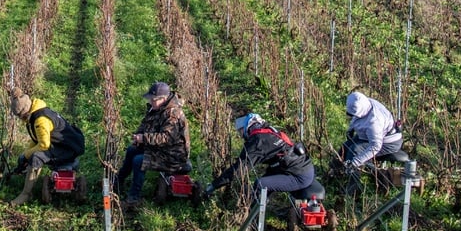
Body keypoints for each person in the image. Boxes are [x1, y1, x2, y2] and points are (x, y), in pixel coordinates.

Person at [115, 81, 190, 209]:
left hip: (173, 155)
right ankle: (117, 182)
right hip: (159, 149)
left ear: (164, 99)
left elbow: (166, 138)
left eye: (154, 100)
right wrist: (138, 136)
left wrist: (144, 138)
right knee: (132, 150)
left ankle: (134, 198)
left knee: (139, 161)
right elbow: (145, 124)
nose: (151, 102)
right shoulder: (156, 108)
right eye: (150, 99)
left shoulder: (172, 114)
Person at [207, 113, 315, 201]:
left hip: (299, 176)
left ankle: (254, 221)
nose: (241, 135)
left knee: (260, 184)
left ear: (248, 127)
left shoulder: (257, 142)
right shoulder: (269, 130)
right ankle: (261, 202)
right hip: (302, 166)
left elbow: (239, 170)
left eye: (240, 131)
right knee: (267, 176)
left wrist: (214, 186)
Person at [9, 93, 87, 205]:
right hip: (61, 144)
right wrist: (26, 154)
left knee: (36, 157)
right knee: (32, 155)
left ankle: (26, 194)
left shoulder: (40, 120)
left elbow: (44, 145)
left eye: (19, 117)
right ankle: (29, 179)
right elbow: (37, 138)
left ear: (24, 114)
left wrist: (27, 155)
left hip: (67, 148)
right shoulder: (36, 111)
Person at [338, 90, 404, 171]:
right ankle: (334, 171)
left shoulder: (374, 122)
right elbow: (356, 117)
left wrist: (355, 163)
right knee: (346, 146)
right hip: (371, 135)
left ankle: (352, 180)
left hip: (388, 142)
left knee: (355, 150)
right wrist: (351, 129)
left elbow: (375, 146)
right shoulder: (365, 103)